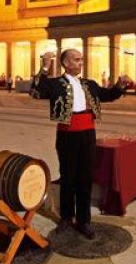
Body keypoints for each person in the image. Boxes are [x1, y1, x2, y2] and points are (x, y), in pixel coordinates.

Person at [29, 49, 127, 240]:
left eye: (81, 59)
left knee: (85, 177)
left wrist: (120, 85)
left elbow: (107, 95)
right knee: (68, 178)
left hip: (88, 135)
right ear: (65, 63)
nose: (81, 62)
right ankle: (66, 218)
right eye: (76, 59)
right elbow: (36, 91)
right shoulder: (56, 83)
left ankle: (84, 220)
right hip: (67, 136)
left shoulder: (88, 84)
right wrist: (45, 67)